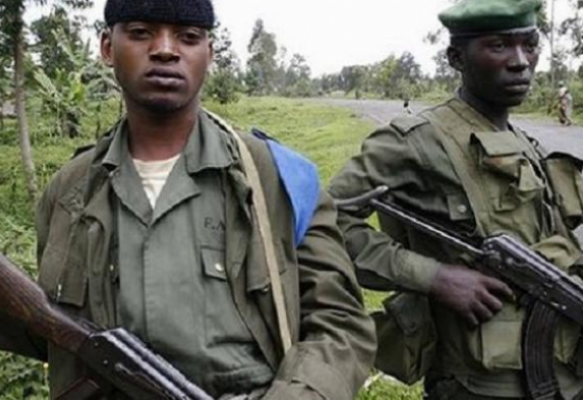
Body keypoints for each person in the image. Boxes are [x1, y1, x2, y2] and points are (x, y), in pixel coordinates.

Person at [0, 0, 376, 399]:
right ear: (108, 47)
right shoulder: (68, 191)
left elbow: (340, 327)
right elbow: (50, 329)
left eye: (188, 36)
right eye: (141, 33)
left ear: (209, 54)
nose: (165, 49)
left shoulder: (279, 179)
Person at [329, 0, 583, 399]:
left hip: (574, 368)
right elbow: (325, 223)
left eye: (529, 45)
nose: (521, 62)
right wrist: (434, 277)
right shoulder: (414, 141)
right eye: (499, 46)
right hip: (483, 384)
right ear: (456, 58)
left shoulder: (525, 143)